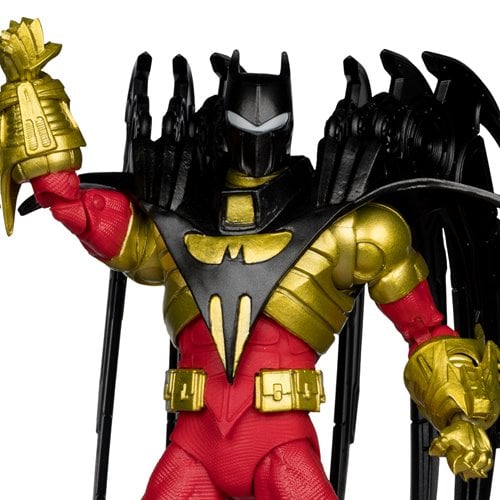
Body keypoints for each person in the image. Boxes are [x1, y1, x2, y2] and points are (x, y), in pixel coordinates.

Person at [1, 18, 499, 500]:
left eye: (269, 129)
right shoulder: (175, 225)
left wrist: (461, 416)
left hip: (280, 450)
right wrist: (29, 94)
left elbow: (426, 331)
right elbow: (74, 205)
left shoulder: (348, 231)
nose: (256, 142)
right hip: (194, 450)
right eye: (243, 129)